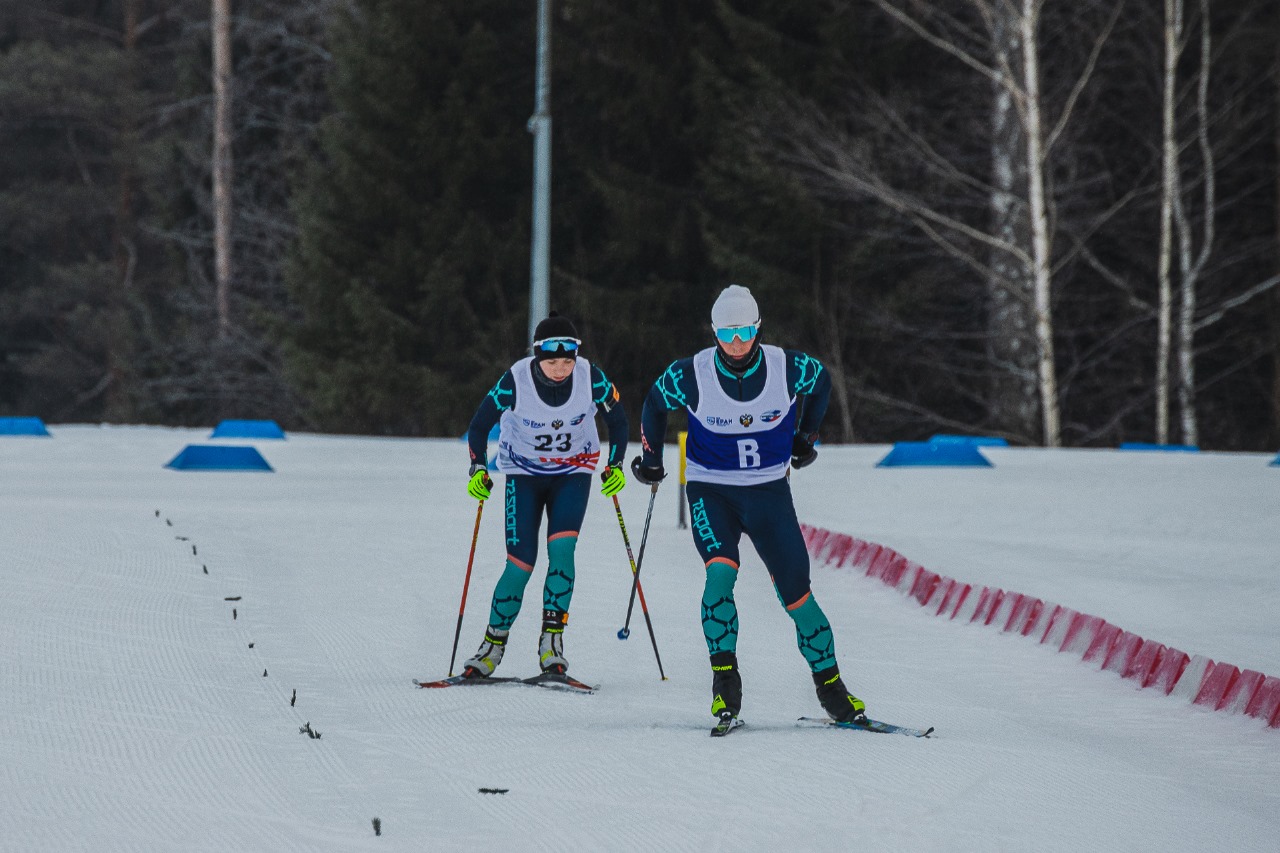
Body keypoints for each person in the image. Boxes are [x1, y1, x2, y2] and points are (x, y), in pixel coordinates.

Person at [631, 284, 867, 727]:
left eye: (744, 331)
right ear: (714, 330)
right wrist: (651, 459)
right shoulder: (692, 373)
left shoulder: (787, 367)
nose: (736, 342)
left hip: (769, 492)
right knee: (721, 573)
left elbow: (822, 382)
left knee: (797, 593)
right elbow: (653, 403)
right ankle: (725, 685)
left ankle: (832, 689)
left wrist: (807, 437)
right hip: (710, 489)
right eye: (726, 332)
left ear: (757, 328)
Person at [460, 312, 628, 679]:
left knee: (563, 550)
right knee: (520, 564)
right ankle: (492, 646)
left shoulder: (590, 376)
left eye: (567, 361)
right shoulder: (516, 381)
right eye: (552, 361)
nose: (560, 369)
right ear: (538, 357)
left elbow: (618, 419)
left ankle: (552, 643)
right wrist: (478, 468)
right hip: (524, 475)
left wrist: (615, 465)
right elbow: (477, 427)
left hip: (573, 474)